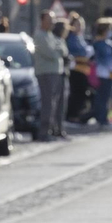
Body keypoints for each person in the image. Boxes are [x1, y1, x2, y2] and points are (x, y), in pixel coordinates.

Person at [33, 10, 68, 140]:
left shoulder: (51, 35)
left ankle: (55, 129)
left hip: (56, 72)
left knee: (57, 103)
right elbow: (51, 53)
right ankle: (44, 131)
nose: (52, 23)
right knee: (48, 103)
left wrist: (58, 50)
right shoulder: (39, 36)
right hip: (46, 73)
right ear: (42, 20)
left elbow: (63, 49)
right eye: (49, 20)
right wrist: (58, 51)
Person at [90, 16, 112, 127]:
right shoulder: (99, 44)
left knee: (109, 97)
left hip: (111, 74)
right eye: (110, 29)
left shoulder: (108, 43)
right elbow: (103, 61)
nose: (111, 31)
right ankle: (102, 119)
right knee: (103, 97)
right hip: (103, 74)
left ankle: (108, 117)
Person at [65, 12, 93, 123]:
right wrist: (86, 52)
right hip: (75, 69)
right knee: (76, 93)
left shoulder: (80, 37)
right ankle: (72, 115)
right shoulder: (71, 38)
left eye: (81, 25)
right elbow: (78, 52)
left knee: (82, 93)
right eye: (77, 25)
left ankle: (79, 114)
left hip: (83, 69)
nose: (80, 27)